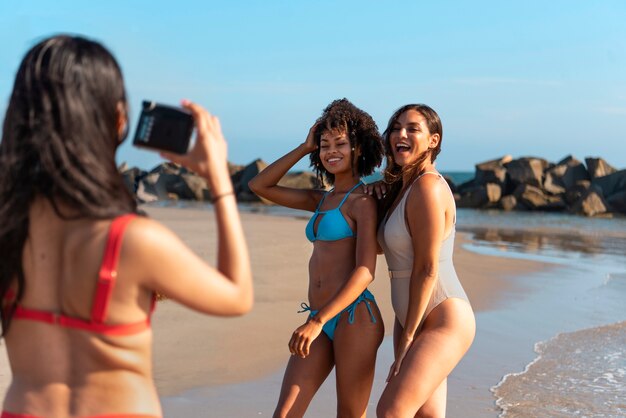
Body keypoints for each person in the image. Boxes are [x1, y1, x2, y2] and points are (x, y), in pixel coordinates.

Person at [0, 35, 252, 418]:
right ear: (118, 120)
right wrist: (218, 177)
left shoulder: (8, 229)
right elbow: (236, 295)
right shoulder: (133, 240)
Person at [249, 99, 385, 418]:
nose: (331, 151)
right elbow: (260, 185)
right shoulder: (321, 200)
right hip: (318, 318)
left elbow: (366, 271)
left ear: (359, 149)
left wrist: (317, 321)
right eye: (324, 145)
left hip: (354, 318)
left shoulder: (363, 201)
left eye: (340, 143)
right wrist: (303, 147)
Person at [373, 104, 475, 417]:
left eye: (412, 128)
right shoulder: (403, 188)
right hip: (411, 317)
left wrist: (406, 337)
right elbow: (386, 248)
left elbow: (427, 268)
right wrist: (376, 195)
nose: (399, 134)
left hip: (441, 319)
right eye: (395, 127)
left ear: (433, 140)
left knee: (391, 411)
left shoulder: (428, 187)